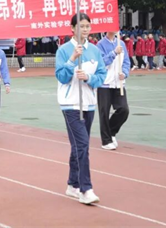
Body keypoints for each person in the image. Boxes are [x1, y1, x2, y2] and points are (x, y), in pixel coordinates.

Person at [56, 13, 106, 205]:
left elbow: (101, 75)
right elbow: (61, 76)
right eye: (81, 26)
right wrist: (72, 59)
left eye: (87, 26)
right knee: (83, 144)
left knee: (78, 145)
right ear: (72, 28)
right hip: (70, 104)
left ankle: (72, 184)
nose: (85, 29)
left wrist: (89, 78)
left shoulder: (94, 50)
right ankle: (86, 189)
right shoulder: (63, 50)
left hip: (89, 103)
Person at [96, 32, 130, 150]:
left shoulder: (121, 43)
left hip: (119, 83)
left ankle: (111, 131)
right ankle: (106, 140)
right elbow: (101, 63)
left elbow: (126, 62)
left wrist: (124, 73)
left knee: (124, 109)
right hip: (105, 83)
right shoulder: (100, 44)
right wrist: (114, 53)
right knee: (104, 112)